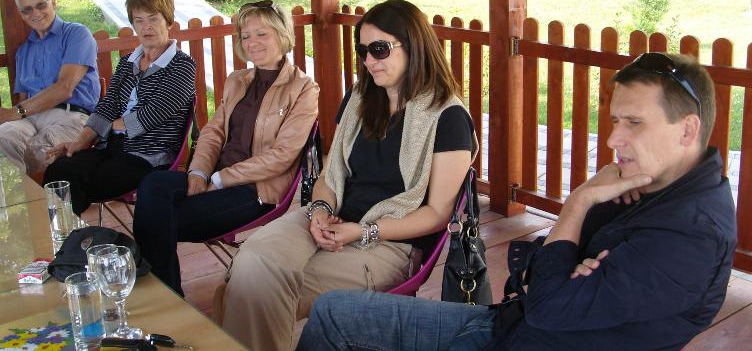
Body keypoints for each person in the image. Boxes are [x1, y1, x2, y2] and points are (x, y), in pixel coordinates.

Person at [297, 52, 738, 351]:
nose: (612, 139)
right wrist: (566, 262)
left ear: (687, 129)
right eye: (615, 120)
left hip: (526, 336)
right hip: (506, 326)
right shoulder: (647, 186)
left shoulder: (690, 234)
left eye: (634, 123)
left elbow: (549, 303)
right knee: (334, 310)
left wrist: (577, 205)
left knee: (338, 321)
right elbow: (540, 268)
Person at [214, 0, 479, 351]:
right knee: (252, 259)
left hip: (389, 242)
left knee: (250, 290)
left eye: (379, 49)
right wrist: (320, 209)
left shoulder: (448, 117)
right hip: (331, 217)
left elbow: (437, 214)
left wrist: (364, 230)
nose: (369, 61)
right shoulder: (359, 98)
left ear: (413, 45)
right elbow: (330, 174)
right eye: (363, 51)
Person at [132, 0, 319, 296]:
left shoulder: (303, 89)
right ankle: (166, 294)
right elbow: (213, 133)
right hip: (213, 177)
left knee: (156, 219)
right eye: (246, 36)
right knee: (154, 184)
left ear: (282, 34)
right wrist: (198, 172)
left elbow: (281, 157)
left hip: (255, 190)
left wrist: (220, 179)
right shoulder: (238, 81)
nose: (252, 42)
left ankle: (163, 295)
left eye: (262, 34)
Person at [44, 0, 196, 216]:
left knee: (85, 182)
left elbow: (149, 117)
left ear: (168, 22)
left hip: (148, 154)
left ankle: (70, 232)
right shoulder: (128, 62)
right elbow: (108, 104)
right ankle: (61, 232)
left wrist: (107, 127)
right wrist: (81, 142)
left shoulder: (182, 66)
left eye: (153, 19)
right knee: (59, 172)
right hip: (111, 147)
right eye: (139, 20)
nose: (146, 27)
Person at [0, 0, 100, 175]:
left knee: (33, 153)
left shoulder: (76, 34)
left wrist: (12, 113)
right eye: (27, 10)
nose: (35, 13)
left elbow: (64, 88)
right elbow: (22, 101)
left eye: (41, 5)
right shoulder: (24, 51)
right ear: (21, 14)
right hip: (30, 117)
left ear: (54, 2)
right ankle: (15, 194)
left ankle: (22, 194)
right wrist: (4, 116)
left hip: (71, 116)